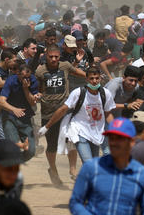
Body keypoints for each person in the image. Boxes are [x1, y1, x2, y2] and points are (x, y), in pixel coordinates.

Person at [69, 118, 144, 215]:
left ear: (132, 142)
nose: (113, 143)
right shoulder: (91, 168)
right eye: (111, 138)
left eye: (119, 139)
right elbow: (75, 202)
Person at [40, 67, 116, 163]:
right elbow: (62, 110)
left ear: (100, 79)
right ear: (86, 79)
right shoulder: (78, 93)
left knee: (94, 163)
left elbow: (108, 113)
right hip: (80, 131)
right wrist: (47, 126)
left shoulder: (105, 93)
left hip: (96, 133)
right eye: (91, 78)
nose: (94, 81)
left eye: (97, 78)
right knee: (88, 162)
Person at [34, 44, 86, 185]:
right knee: (52, 145)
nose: (54, 59)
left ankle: (73, 170)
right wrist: (37, 94)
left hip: (66, 111)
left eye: (56, 56)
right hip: (48, 112)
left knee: (71, 140)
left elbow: (79, 73)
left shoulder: (65, 66)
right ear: (46, 57)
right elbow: (37, 87)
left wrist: (94, 77)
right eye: (51, 57)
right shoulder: (40, 70)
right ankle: (53, 169)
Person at [0, 63, 40, 162]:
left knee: (31, 151)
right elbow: (1, 101)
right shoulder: (11, 80)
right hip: (9, 117)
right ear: (18, 74)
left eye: (28, 77)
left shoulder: (33, 81)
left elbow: (32, 103)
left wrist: (26, 88)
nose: (26, 79)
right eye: (23, 77)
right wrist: (14, 109)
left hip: (25, 119)